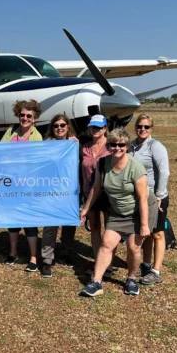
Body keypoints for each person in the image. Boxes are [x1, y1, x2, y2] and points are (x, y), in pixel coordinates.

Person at [79, 128, 158, 297]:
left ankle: (131, 279)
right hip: (118, 210)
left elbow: (143, 199)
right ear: (108, 146)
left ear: (127, 146)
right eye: (113, 144)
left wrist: (144, 225)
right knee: (107, 243)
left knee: (133, 247)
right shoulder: (103, 163)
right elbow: (96, 188)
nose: (117, 148)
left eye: (121, 145)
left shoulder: (135, 167)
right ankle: (96, 282)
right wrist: (85, 210)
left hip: (139, 211)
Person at [0, 99, 43, 271]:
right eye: (22, 115)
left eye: (28, 116)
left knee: (29, 220)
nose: (24, 118)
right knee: (13, 219)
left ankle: (33, 257)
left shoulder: (37, 136)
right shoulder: (11, 132)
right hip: (11, 184)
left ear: (34, 119)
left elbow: (37, 161)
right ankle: (13, 252)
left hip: (28, 185)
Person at [128, 113, 170, 285]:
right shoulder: (131, 145)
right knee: (144, 232)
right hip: (140, 197)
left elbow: (164, 172)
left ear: (151, 129)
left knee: (158, 233)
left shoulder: (155, 146)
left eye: (146, 127)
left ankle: (156, 270)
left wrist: (159, 196)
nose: (142, 130)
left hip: (155, 197)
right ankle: (145, 265)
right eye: (140, 126)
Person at [39, 114, 78, 278]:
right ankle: (47, 260)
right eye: (56, 125)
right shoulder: (46, 145)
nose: (59, 128)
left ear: (68, 126)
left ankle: (67, 252)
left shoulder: (75, 144)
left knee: (69, 225)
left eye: (63, 125)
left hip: (70, 191)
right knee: (50, 225)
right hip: (51, 190)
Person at [80, 115, 111, 273]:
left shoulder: (111, 147)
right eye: (93, 127)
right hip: (88, 193)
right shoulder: (84, 147)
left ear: (105, 128)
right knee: (94, 227)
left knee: (109, 229)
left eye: (99, 127)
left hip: (107, 194)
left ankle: (108, 264)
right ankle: (97, 261)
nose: (96, 130)